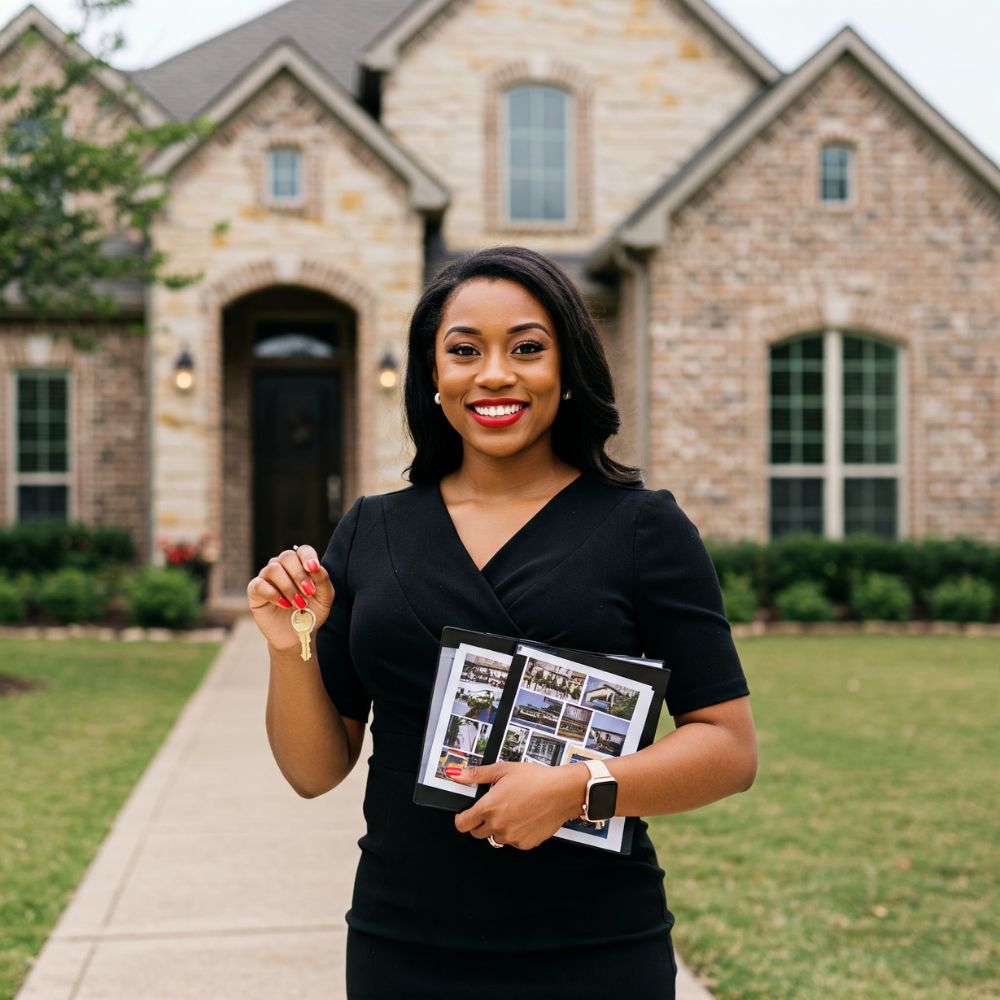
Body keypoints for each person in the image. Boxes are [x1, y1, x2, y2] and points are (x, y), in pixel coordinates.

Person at [246, 246, 757, 999]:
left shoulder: (644, 529)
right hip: (404, 942)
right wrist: (289, 647)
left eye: (526, 348)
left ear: (568, 367)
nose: (493, 374)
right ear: (432, 375)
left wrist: (578, 789)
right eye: (463, 351)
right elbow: (315, 771)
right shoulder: (371, 530)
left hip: (593, 946)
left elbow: (728, 747)